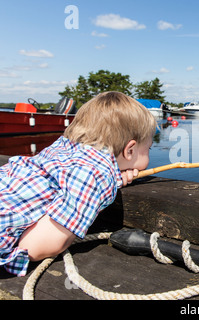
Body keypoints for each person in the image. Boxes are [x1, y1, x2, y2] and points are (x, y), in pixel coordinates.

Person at [0, 91, 157, 276]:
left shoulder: (60, 148)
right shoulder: (96, 175)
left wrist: (113, 176)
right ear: (130, 150)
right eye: (148, 148)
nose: (149, 154)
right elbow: (34, 247)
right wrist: (104, 186)